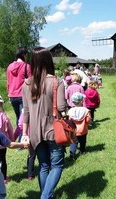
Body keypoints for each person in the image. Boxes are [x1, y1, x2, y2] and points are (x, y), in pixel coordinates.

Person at [21, 47, 67, 199]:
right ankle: (45, 197)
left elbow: (25, 112)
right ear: (48, 60)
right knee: (57, 165)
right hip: (53, 130)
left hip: (35, 133)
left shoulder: (26, 83)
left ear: (32, 62)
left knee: (43, 166)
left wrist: (24, 134)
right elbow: (61, 107)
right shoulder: (56, 81)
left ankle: (46, 194)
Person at [7, 47, 31, 141]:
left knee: (18, 118)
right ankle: (22, 140)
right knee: (23, 118)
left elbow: (8, 82)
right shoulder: (27, 66)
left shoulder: (9, 67)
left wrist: (9, 94)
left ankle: (17, 138)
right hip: (22, 95)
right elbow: (31, 81)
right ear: (24, 55)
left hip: (12, 95)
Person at [13, 109, 36, 181]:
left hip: (29, 137)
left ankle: (30, 175)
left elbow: (20, 125)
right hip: (39, 135)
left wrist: (13, 138)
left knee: (31, 155)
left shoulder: (24, 111)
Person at [67, 92, 91, 160]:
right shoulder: (86, 111)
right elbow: (88, 120)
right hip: (83, 130)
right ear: (81, 101)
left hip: (74, 130)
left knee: (74, 142)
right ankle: (82, 151)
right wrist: (87, 124)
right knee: (83, 141)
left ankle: (72, 154)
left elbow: (69, 120)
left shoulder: (70, 111)